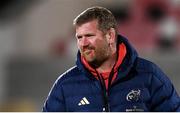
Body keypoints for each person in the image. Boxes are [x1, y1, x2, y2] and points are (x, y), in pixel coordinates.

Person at [43, 6, 180, 112]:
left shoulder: (150, 75)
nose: (83, 43)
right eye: (79, 37)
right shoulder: (65, 85)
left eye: (89, 36)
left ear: (110, 36)